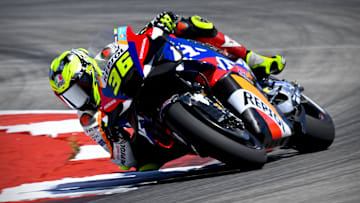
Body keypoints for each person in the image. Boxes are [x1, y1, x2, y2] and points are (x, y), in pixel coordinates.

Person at [49, 12, 286, 171]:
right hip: (152, 131)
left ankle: (252, 58)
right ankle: (203, 133)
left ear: (89, 73)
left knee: (190, 24)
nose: (79, 100)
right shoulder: (89, 118)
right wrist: (115, 138)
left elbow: (131, 42)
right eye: (70, 98)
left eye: (78, 90)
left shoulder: (105, 56)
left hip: (151, 78)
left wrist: (156, 27)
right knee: (143, 165)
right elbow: (123, 161)